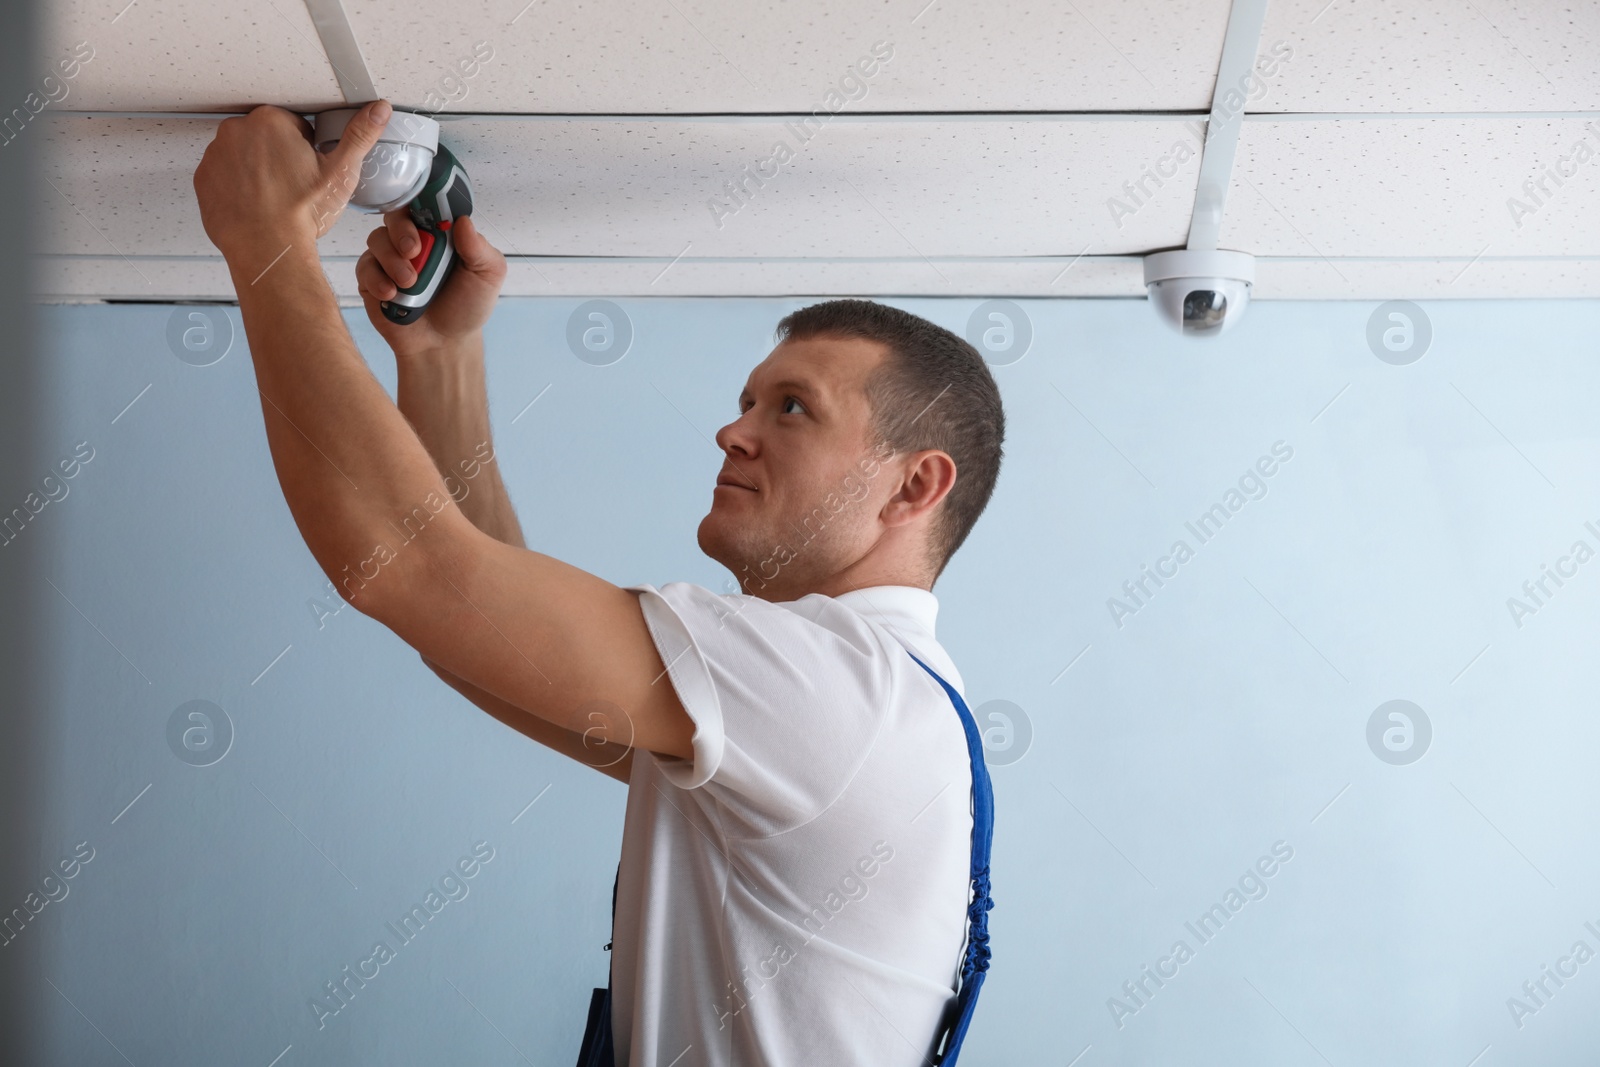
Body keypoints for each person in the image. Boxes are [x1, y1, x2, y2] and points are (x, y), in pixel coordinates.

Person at [193, 99, 1005, 1065]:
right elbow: (478, 632)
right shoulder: (862, 704)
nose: (733, 431)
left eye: (793, 409)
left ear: (916, 484)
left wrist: (267, 245)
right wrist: (441, 355)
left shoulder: (837, 688)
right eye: (747, 400)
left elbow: (408, 569)